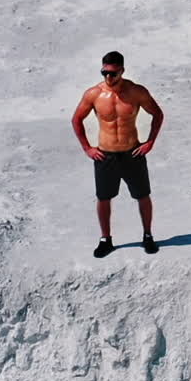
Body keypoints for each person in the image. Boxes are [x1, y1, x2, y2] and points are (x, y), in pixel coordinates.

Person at [71, 51, 164, 258]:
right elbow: (77, 119)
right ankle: (106, 239)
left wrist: (150, 142)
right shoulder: (94, 94)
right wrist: (87, 148)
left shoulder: (136, 92)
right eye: (104, 72)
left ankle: (147, 236)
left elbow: (157, 114)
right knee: (103, 198)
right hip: (106, 155)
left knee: (143, 196)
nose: (108, 78)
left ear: (122, 70)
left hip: (132, 153)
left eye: (113, 73)